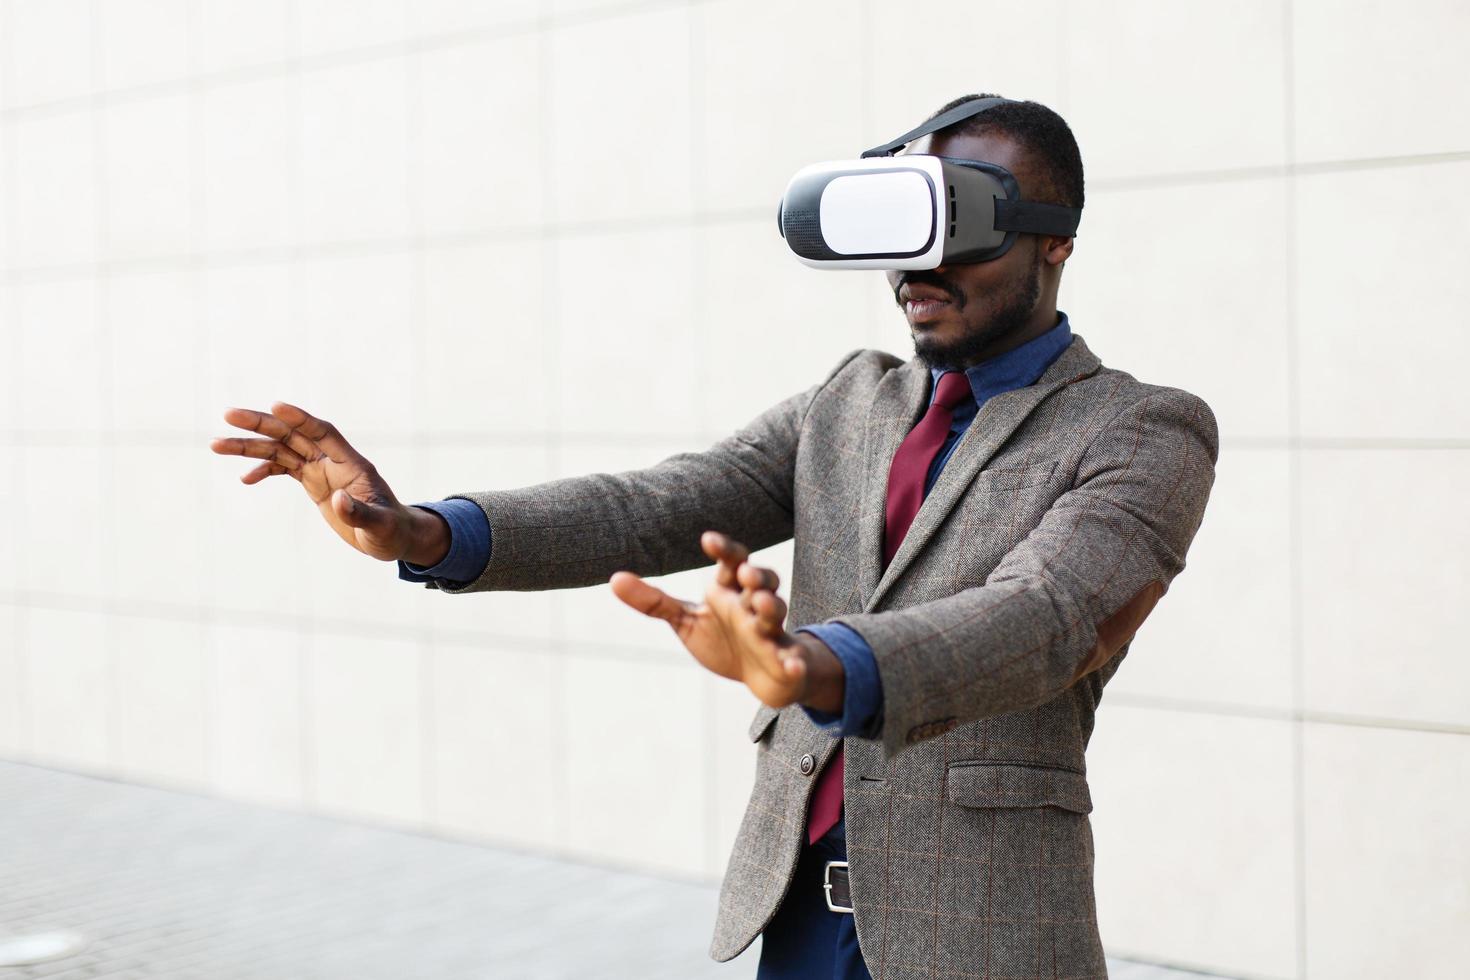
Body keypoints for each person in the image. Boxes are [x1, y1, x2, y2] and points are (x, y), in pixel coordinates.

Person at [210, 94, 1218, 980]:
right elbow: (661, 501)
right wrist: (426, 531)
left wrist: (812, 663)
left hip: (982, 930)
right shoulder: (850, 402)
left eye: (965, 221)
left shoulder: (1138, 428)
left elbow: (1046, 618)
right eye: (903, 223)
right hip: (796, 913)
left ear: (1056, 239)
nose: (922, 261)